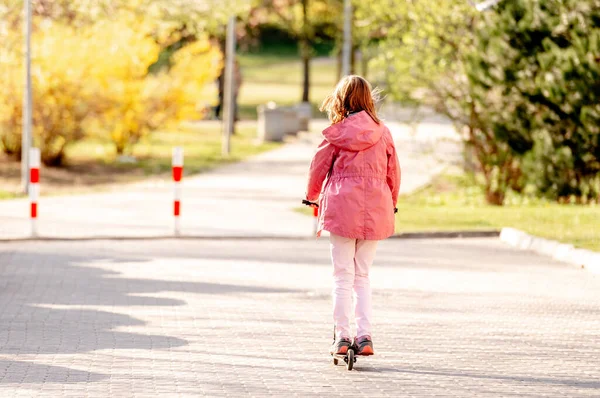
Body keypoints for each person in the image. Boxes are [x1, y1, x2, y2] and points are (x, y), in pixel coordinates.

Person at [305, 75, 401, 357]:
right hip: (376, 208)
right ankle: (365, 335)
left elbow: (318, 167)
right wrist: (391, 202)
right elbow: (393, 171)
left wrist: (311, 195)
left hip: (341, 207)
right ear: (368, 99)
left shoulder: (335, 133)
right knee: (363, 275)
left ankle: (343, 337)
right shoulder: (383, 132)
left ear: (341, 98)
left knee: (342, 276)